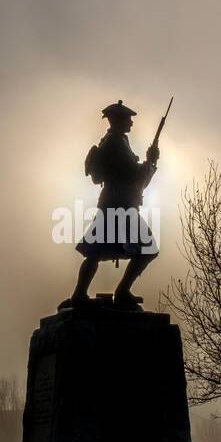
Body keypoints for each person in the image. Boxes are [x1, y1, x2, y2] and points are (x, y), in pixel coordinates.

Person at [60, 100, 159, 311]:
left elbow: (135, 178)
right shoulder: (115, 144)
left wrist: (150, 164)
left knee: (97, 251)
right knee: (146, 249)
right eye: (128, 119)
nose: (131, 123)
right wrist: (150, 162)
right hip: (118, 205)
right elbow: (134, 176)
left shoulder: (117, 141)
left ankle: (87, 294)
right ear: (118, 121)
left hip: (117, 203)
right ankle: (114, 292)